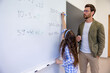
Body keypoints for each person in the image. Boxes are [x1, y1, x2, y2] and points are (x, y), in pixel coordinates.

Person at [76, 4, 105, 73]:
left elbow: (102, 41)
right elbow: (78, 36)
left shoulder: (99, 25)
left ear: (92, 12)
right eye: (84, 11)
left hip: (93, 53)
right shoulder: (81, 25)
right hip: (82, 53)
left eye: (86, 11)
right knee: (82, 71)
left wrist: (98, 54)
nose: (84, 12)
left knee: (94, 71)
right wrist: (77, 39)